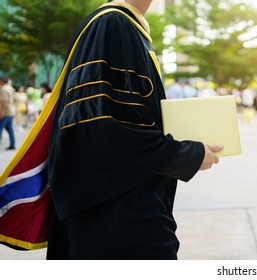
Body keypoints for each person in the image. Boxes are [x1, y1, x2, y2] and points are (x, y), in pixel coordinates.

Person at [45, 0, 223, 259]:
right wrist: (187, 155)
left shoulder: (127, 26)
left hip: (120, 201)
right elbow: (97, 129)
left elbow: (124, 118)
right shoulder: (111, 23)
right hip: (113, 210)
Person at [0, 77, 16, 150]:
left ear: (2, 81)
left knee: (0, 128)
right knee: (9, 129)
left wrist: (2, 112)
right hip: (11, 110)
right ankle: (12, 144)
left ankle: (12, 144)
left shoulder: (4, 89)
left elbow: (4, 102)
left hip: (6, 111)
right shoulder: (11, 88)